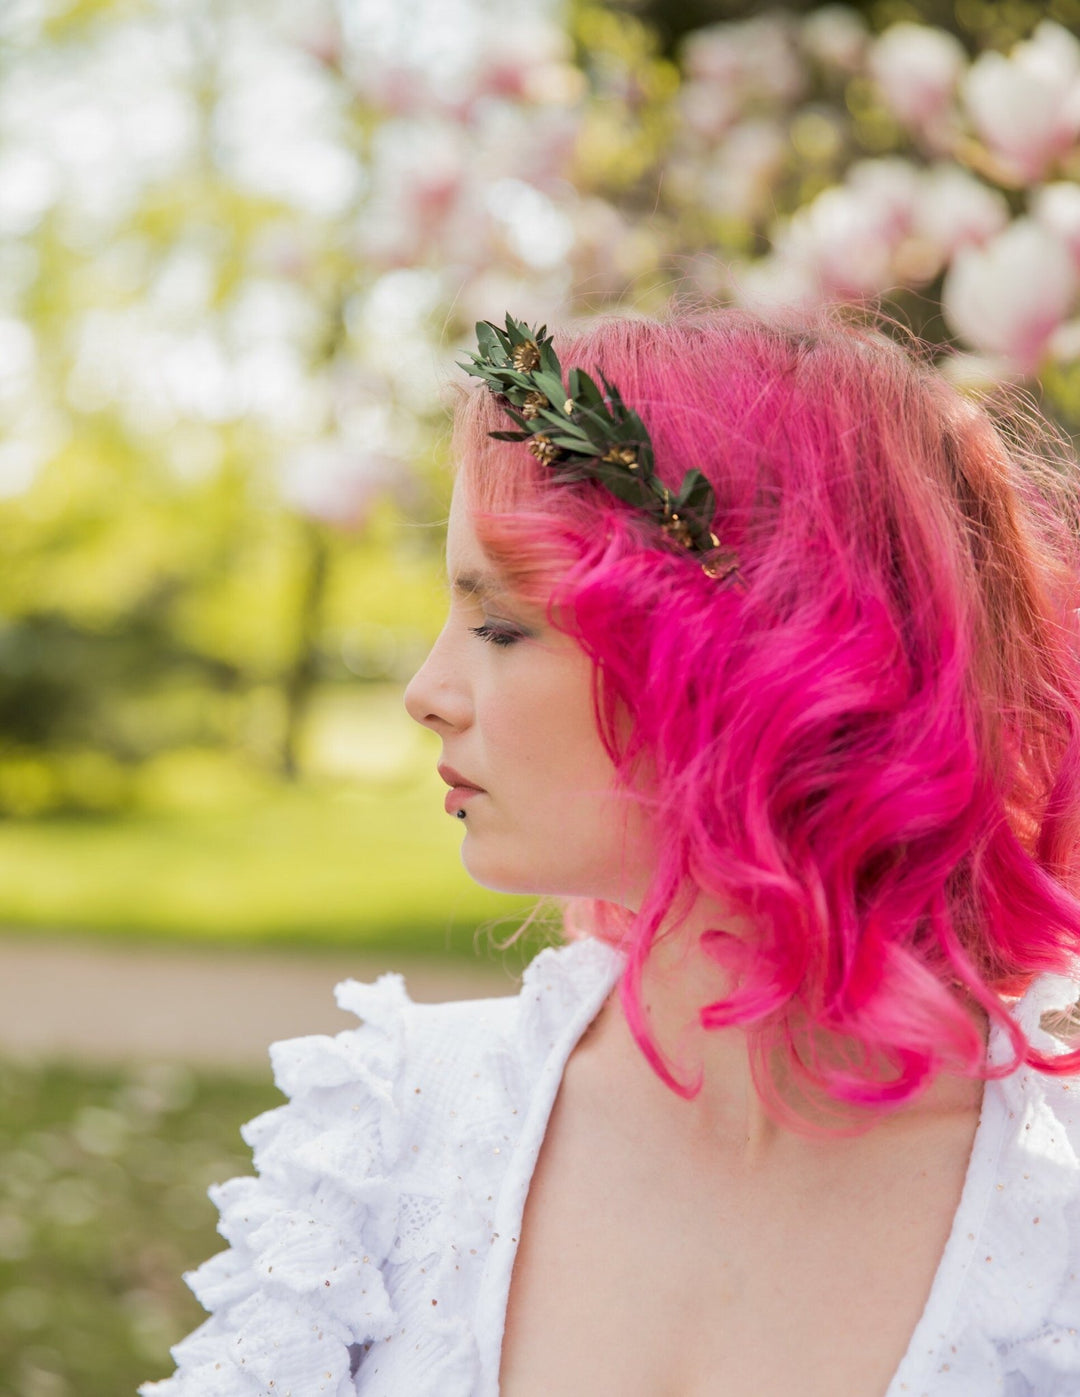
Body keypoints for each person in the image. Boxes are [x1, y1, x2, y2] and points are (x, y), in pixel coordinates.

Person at [142, 307, 1080, 1397]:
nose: (425, 694)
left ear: (756, 660)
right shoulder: (390, 1138)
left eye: (501, 626)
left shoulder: (1048, 1211)